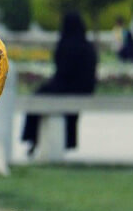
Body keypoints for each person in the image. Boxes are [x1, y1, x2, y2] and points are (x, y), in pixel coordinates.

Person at [21, 11, 98, 154]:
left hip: (67, 87)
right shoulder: (88, 47)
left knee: (36, 98)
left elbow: (62, 72)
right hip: (85, 90)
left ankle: (32, 137)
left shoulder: (66, 44)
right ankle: (68, 142)